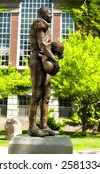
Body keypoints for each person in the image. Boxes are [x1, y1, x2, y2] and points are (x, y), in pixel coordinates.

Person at [28, 7, 64, 137]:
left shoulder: (45, 25)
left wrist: (57, 51)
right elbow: (42, 44)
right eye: (49, 13)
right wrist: (54, 60)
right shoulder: (40, 23)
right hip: (38, 59)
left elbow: (47, 45)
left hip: (44, 59)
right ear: (43, 14)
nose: (52, 16)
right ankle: (32, 127)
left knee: (46, 96)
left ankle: (44, 126)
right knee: (36, 94)